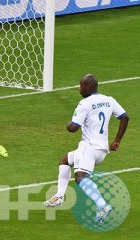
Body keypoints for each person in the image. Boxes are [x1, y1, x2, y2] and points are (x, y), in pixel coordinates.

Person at [44, 74, 129, 224]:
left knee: (80, 177)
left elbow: (73, 128)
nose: (79, 88)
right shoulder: (109, 100)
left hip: (89, 147)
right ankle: (59, 196)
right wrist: (117, 140)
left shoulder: (85, 103)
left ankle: (102, 205)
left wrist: (69, 123)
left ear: (88, 87)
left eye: (81, 85)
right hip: (102, 150)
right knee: (65, 160)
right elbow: (125, 117)